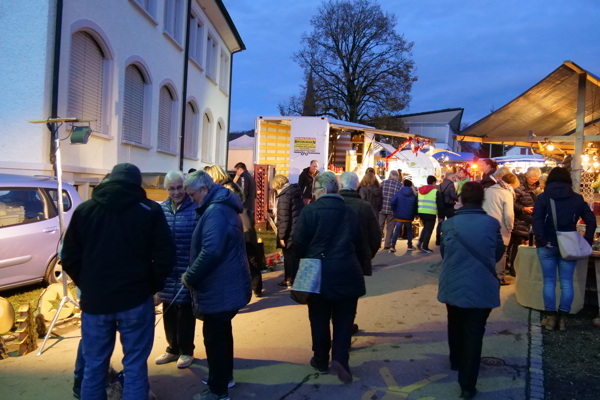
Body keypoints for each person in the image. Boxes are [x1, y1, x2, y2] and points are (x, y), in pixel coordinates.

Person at [62, 163, 176, 400]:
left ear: (110, 181)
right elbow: (166, 255)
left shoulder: (85, 210)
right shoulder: (150, 210)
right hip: (135, 301)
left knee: (94, 368)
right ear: (137, 184)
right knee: (135, 366)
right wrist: (151, 286)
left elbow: (69, 257)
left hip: (96, 303)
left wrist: (88, 284)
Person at [182, 171, 251, 400]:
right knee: (222, 334)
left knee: (215, 339)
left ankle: (217, 390)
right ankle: (224, 379)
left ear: (204, 189)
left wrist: (190, 277)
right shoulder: (220, 205)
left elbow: (211, 251)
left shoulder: (215, 211)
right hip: (225, 284)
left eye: (191, 194)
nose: (190, 199)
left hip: (219, 286)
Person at [292, 171, 367, 383]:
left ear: (323, 190)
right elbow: (361, 245)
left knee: (319, 318)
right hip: (347, 272)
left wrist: (303, 263)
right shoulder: (350, 212)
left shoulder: (310, 211)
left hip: (318, 274)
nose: (314, 194)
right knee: (344, 320)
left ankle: (321, 359)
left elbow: (297, 243)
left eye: (315, 190)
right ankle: (341, 360)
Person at [438, 181, 505, 400]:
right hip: (482, 284)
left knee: (455, 323)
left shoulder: (449, 225)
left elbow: (445, 254)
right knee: (475, 333)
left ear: (461, 200)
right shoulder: (492, 224)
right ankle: (467, 385)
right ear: (482, 200)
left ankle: (456, 361)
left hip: (454, 281)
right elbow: (497, 253)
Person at [532, 167, 596, 331]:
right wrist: (586, 241)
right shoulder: (577, 198)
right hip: (569, 245)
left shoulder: (543, 197)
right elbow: (591, 221)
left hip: (547, 245)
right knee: (567, 283)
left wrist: (542, 240)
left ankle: (550, 317)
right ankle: (563, 319)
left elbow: (536, 221)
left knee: (549, 282)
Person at [155, 171, 198, 369]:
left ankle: (186, 350)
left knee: (185, 311)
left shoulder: (195, 207)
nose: (176, 192)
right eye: (171, 188)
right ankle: (172, 348)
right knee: (168, 309)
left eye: (179, 187)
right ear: (166, 190)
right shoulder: (161, 209)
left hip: (187, 267)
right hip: (168, 269)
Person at [206, 165, 263, 297]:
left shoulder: (225, 190)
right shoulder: (231, 185)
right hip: (244, 221)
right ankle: (255, 286)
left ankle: (251, 287)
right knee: (249, 256)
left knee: (247, 257)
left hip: (240, 225)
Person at [339, 172, 381, 273]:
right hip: (358, 258)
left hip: (334, 259)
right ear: (356, 185)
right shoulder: (364, 206)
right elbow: (375, 235)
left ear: (340, 185)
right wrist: (367, 254)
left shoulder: (333, 204)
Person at [482, 173, 520, 285]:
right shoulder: (506, 193)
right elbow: (508, 214)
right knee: (501, 252)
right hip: (500, 226)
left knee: (488, 251)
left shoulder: (488, 190)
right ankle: (499, 277)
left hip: (486, 225)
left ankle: (487, 275)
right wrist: (510, 227)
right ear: (511, 184)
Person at [506, 167, 541, 276]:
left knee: (521, 244)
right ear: (526, 176)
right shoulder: (519, 187)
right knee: (516, 244)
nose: (533, 181)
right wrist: (523, 208)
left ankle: (516, 267)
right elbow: (512, 202)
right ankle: (513, 268)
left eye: (535, 179)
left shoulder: (537, 187)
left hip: (528, 220)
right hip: (519, 219)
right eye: (531, 178)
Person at [271, 174, 304, 288]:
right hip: (297, 229)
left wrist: (281, 237)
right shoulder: (295, 192)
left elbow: (284, 218)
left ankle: (289, 280)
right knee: (295, 257)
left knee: (288, 256)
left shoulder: (284, 196)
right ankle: (294, 278)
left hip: (289, 231)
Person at [416, 175, 444, 254]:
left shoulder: (420, 191)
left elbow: (416, 202)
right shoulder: (435, 191)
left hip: (421, 212)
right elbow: (440, 205)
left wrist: (416, 213)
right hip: (431, 213)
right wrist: (441, 216)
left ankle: (420, 242)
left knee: (425, 228)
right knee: (429, 230)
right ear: (434, 182)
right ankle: (425, 247)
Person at [390, 179, 418, 252]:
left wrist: (395, 210)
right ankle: (409, 245)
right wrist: (415, 214)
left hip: (399, 215)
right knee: (409, 230)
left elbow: (392, 201)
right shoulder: (413, 194)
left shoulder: (399, 192)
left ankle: (392, 245)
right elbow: (415, 205)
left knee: (397, 230)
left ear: (403, 184)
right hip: (409, 215)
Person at [378, 170, 403, 250]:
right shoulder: (399, 185)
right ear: (397, 177)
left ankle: (377, 243)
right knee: (390, 227)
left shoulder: (382, 183)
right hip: (392, 209)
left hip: (381, 207)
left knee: (380, 226)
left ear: (390, 175)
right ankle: (387, 244)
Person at [435, 172, 458, 246]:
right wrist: (456, 198)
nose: (454, 179)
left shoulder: (440, 185)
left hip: (441, 206)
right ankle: (449, 237)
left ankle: (438, 239)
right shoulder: (451, 185)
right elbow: (452, 195)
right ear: (449, 177)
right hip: (449, 205)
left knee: (440, 222)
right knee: (450, 222)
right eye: (453, 177)